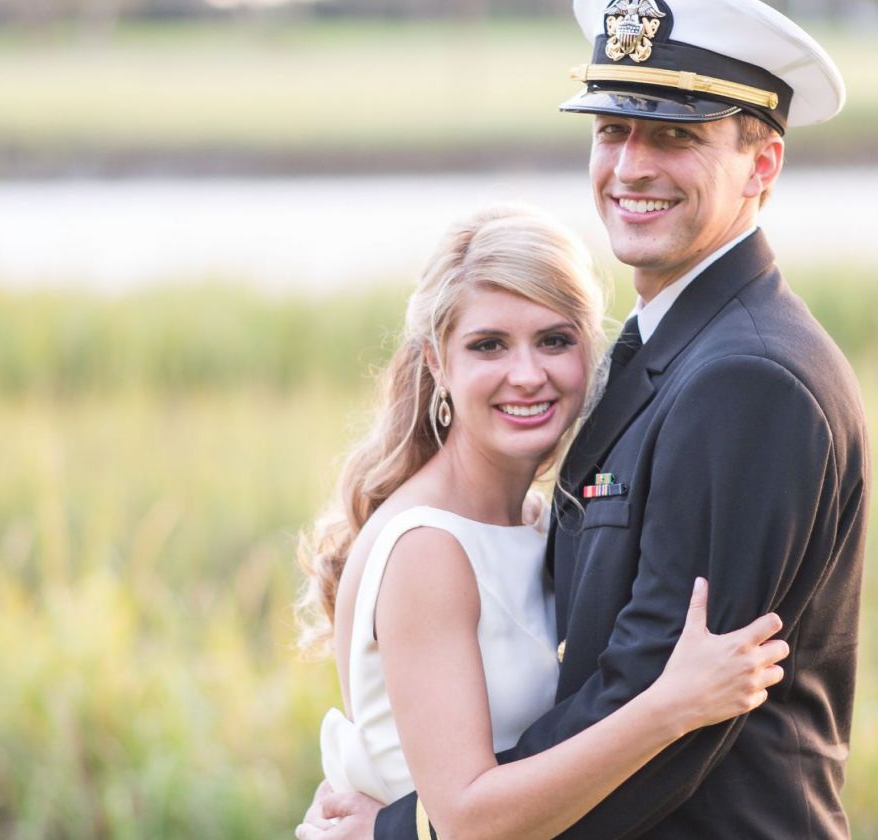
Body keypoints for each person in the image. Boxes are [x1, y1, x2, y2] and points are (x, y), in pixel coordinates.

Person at [305, 0, 870, 833]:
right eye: (612, 130)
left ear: (763, 165)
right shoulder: (665, 349)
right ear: (438, 360)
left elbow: (663, 708)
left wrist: (405, 829)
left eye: (677, 135)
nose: (631, 165)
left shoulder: (745, 378)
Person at [294, 203, 793, 840]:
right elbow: (467, 817)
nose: (527, 376)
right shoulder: (429, 547)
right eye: (488, 346)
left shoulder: (537, 517)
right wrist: (673, 706)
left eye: (554, 340)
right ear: (437, 364)